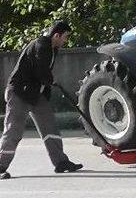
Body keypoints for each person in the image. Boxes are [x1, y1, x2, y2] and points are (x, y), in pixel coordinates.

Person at [0, 21, 83, 180]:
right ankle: (1, 165)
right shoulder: (41, 45)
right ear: (56, 35)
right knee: (13, 130)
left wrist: (47, 87)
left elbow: (43, 73)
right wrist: (51, 81)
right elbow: (41, 70)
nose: (66, 41)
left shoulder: (53, 48)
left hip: (36, 93)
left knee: (49, 126)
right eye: (65, 37)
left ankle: (61, 162)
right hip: (19, 92)